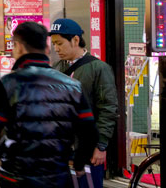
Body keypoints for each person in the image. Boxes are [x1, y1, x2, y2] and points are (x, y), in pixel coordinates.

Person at [0, 22, 98, 188]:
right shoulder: (73, 86)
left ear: (18, 47)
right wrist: (79, 164)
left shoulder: (9, 83)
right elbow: (89, 132)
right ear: (46, 49)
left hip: (17, 177)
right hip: (58, 176)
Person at [50, 18, 118, 188]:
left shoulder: (99, 68)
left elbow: (108, 109)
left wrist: (101, 146)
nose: (56, 48)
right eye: (53, 44)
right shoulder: (56, 67)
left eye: (59, 43)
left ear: (75, 40)